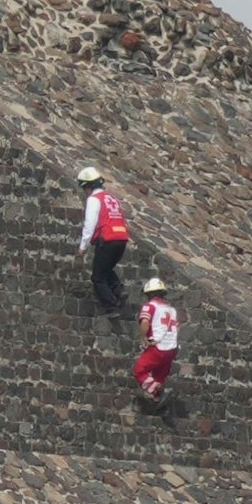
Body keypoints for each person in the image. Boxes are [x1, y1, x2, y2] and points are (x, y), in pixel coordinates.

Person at [75, 165, 131, 317]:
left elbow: (90, 224)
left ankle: (111, 307)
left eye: (84, 188)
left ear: (88, 186)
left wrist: (83, 246)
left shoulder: (94, 200)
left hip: (107, 240)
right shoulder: (111, 198)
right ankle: (119, 289)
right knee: (106, 269)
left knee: (98, 277)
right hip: (121, 239)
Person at [134, 276, 179, 405]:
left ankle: (157, 390)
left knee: (140, 370)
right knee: (159, 376)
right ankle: (156, 398)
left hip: (157, 347)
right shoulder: (172, 310)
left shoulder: (150, 306)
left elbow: (145, 322)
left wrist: (143, 337)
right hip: (172, 348)